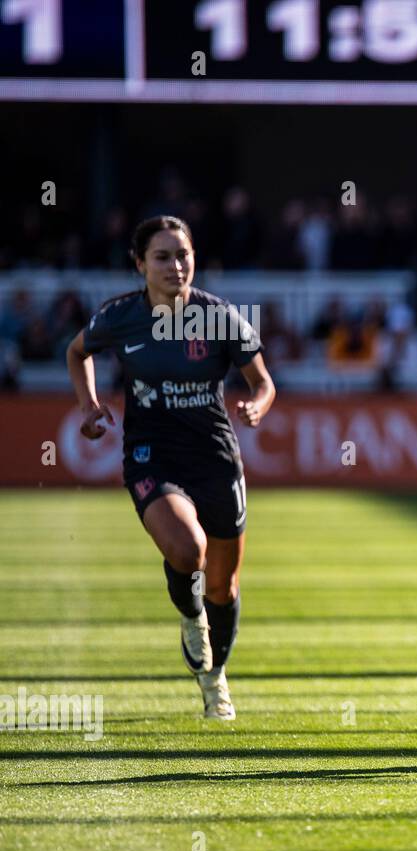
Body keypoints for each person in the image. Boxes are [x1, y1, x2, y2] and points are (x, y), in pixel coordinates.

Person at [65, 215, 276, 719]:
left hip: (215, 456)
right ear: (140, 264)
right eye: (162, 257)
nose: (175, 266)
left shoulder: (221, 318)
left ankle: (215, 678)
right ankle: (189, 614)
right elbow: (78, 353)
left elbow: (263, 381)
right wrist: (89, 405)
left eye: (183, 255)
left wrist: (257, 406)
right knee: (188, 550)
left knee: (224, 587)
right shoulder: (120, 317)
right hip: (151, 453)